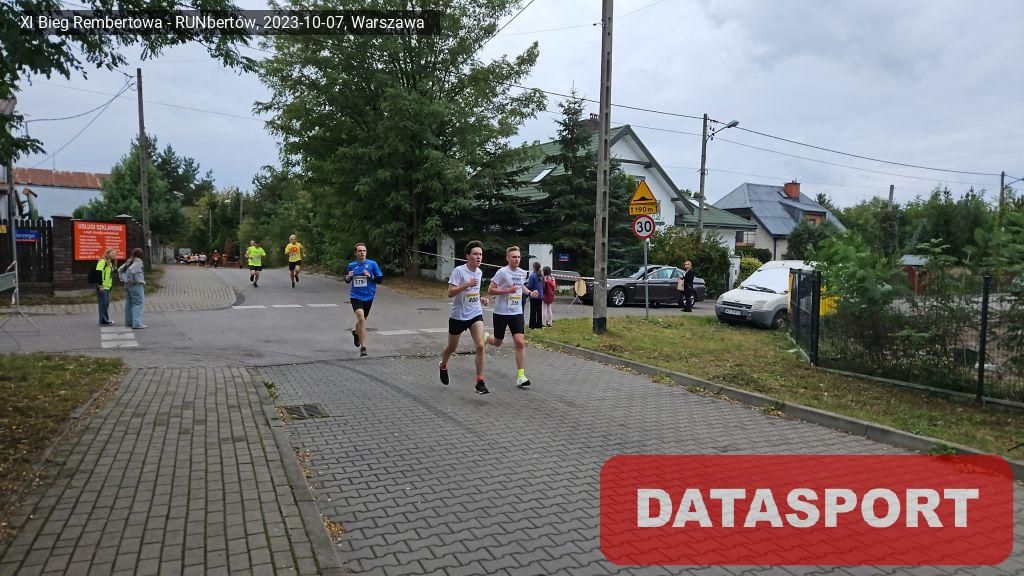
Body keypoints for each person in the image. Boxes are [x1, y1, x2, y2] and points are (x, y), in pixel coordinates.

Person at [440, 240, 491, 395]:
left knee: (480, 346)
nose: (479, 257)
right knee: (452, 348)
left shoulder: (479, 272)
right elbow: (450, 293)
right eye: (475, 254)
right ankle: (443, 365)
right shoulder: (459, 271)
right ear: (468, 256)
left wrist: (481, 299)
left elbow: (474, 293)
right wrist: (466, 285)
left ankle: (480, 381)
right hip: (458, 316)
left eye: (480, 254)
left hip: (475, 313)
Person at [485, 246, 539, 388]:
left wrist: (530, 293)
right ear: (507, 258)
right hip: (501, 312)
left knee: (520, 343)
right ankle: (486, 338)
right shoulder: (502, 272)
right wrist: (507, 290)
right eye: (514, 257)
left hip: (516, 312)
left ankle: (521, 376)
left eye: (518, 257)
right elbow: (490, 290)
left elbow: (520, 287)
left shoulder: (522, 273)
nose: (516, 259)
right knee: (498, 342)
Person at [344, 243, 383, 357]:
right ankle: (363, 347)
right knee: (361, 318)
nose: (362, 253)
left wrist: (370, 276)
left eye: (364, 251)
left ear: (366, 252)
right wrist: (348, 276)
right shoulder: (352, 265)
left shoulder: (372, 264)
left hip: (369, 296)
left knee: (362, 320)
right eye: (360, 251)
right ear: (355, 253)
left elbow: (380, 279)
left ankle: (356, 333)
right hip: (355, 296)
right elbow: (347, 280)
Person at [118, 248, 146, 329]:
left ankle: (129, 322)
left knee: (129, 303)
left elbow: (120, 269)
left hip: (127, 285)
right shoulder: (138, 261)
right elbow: (130, 270)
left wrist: (123, 279)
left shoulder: (129, 260)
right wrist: (130, 280)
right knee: (138, 304)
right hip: (136, 284)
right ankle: (137, 323)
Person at [94, 248, 116, 325]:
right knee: (104, 303)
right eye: (112, 253)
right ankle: (104, 320)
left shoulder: (109, 262)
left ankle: (103, 320)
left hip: (107, 286)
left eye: (115, 253)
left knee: (104, 303)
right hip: (102, 286)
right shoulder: (103, 261)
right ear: (107, 253)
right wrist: (100, 285)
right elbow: (98, 273)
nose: (114, 255)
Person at [526, 260, 545, 329]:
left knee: (533, 311)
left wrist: (526, 286)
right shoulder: (542, 276)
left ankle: (532, 325)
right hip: (540, 295)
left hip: (534, 295)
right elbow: (544, 285)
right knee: (539, 310)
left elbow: (530, 286)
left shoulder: (532, 275)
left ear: (534, 267)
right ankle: (539, 324)